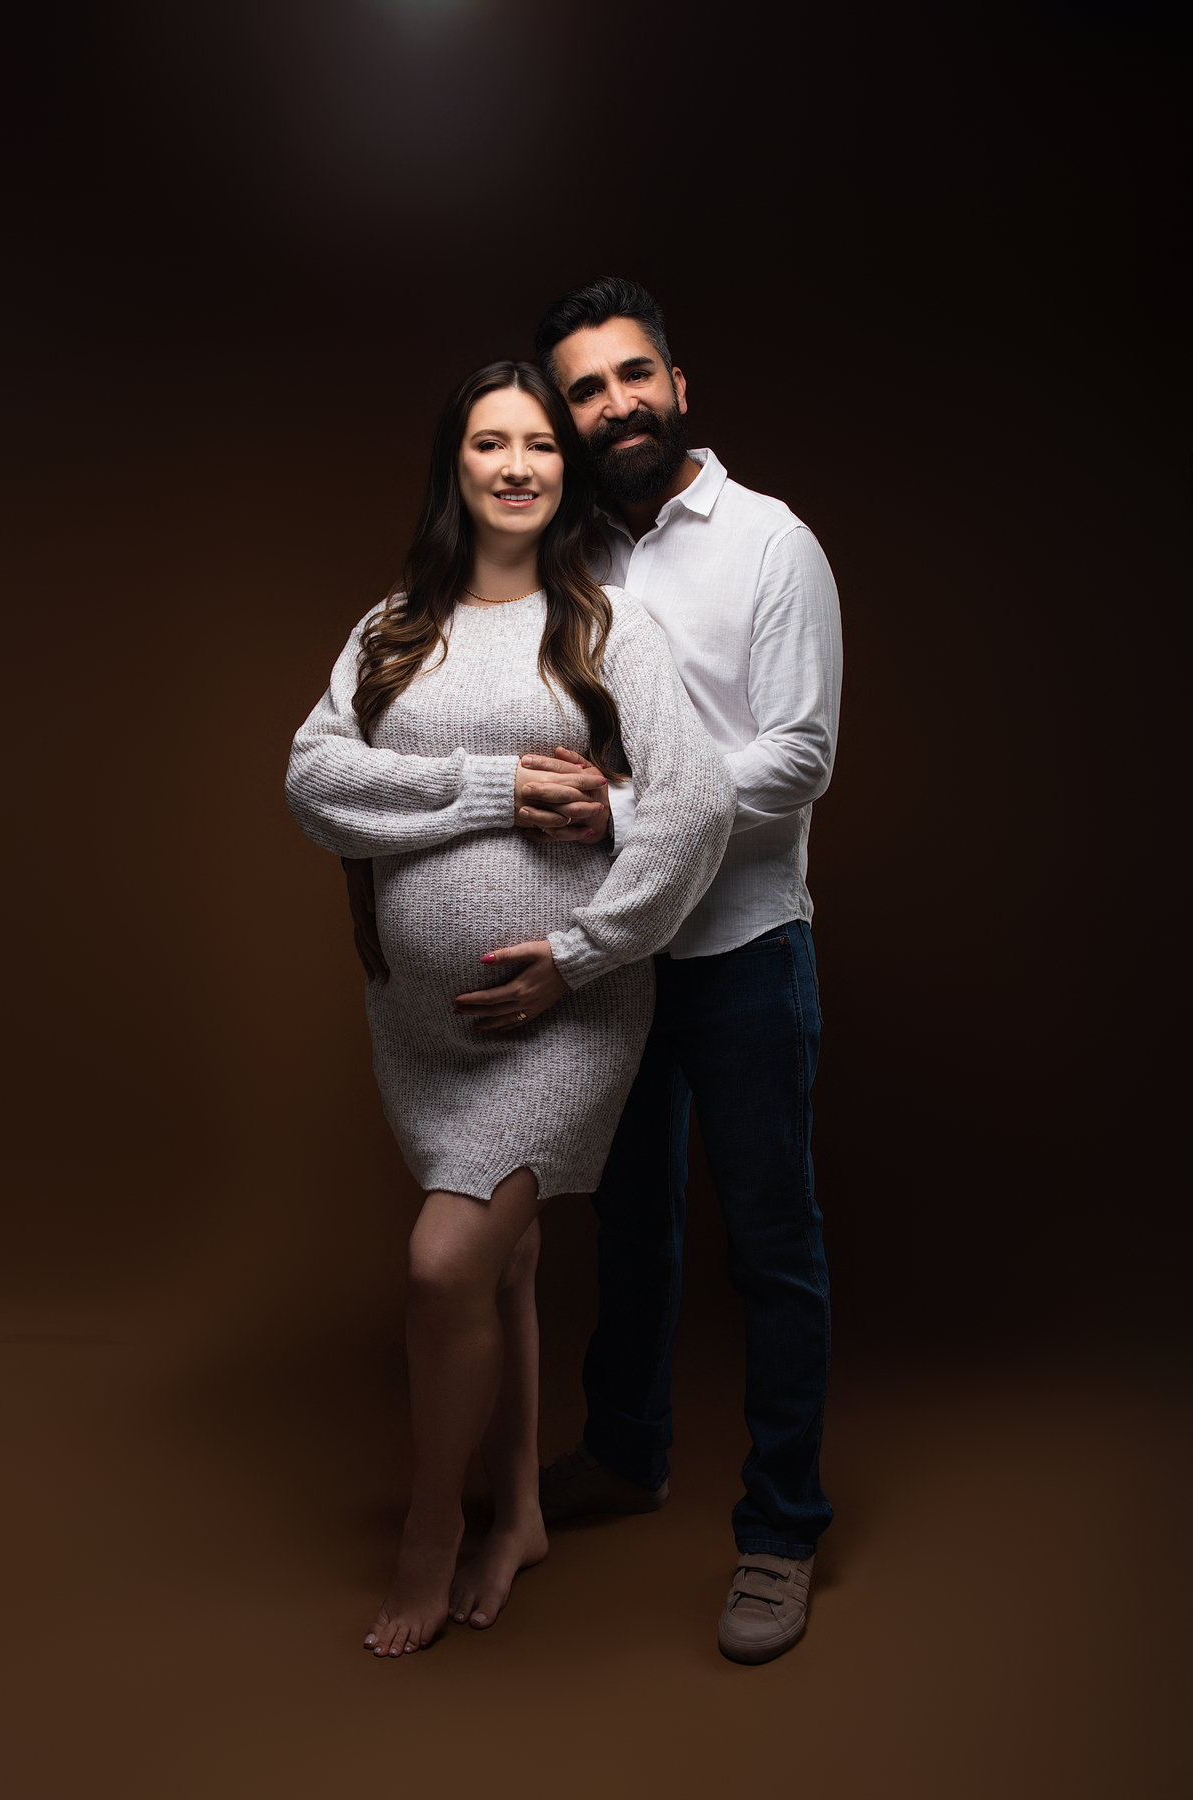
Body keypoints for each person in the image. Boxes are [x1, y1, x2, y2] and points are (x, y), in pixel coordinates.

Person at [285, 359, 733, 1660]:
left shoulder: (601, 626)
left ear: (564, 469)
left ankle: (435, 1529)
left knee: (445, 1263)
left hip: (562, 1016)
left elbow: (694, 803)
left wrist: (581, 955)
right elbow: (315, 780)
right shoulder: (393, 629)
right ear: (456, 465)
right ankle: (523, 1507)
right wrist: (490, 790)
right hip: (420, 1028)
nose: (519, 465)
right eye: (491, 443)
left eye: (541, 443)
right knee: (506, 1261)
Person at [520, 277, 844, 1665]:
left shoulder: (770, 542)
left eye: (632, 375)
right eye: (586, 390)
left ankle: (781, 1527)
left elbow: (799, 756)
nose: (615, 406)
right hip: (622, 949)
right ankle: (625, 1452)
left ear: (679, 384)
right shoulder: (572, 554)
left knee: (771, 1245)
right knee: (631, 1226)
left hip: (747, 947)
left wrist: (622, 809)